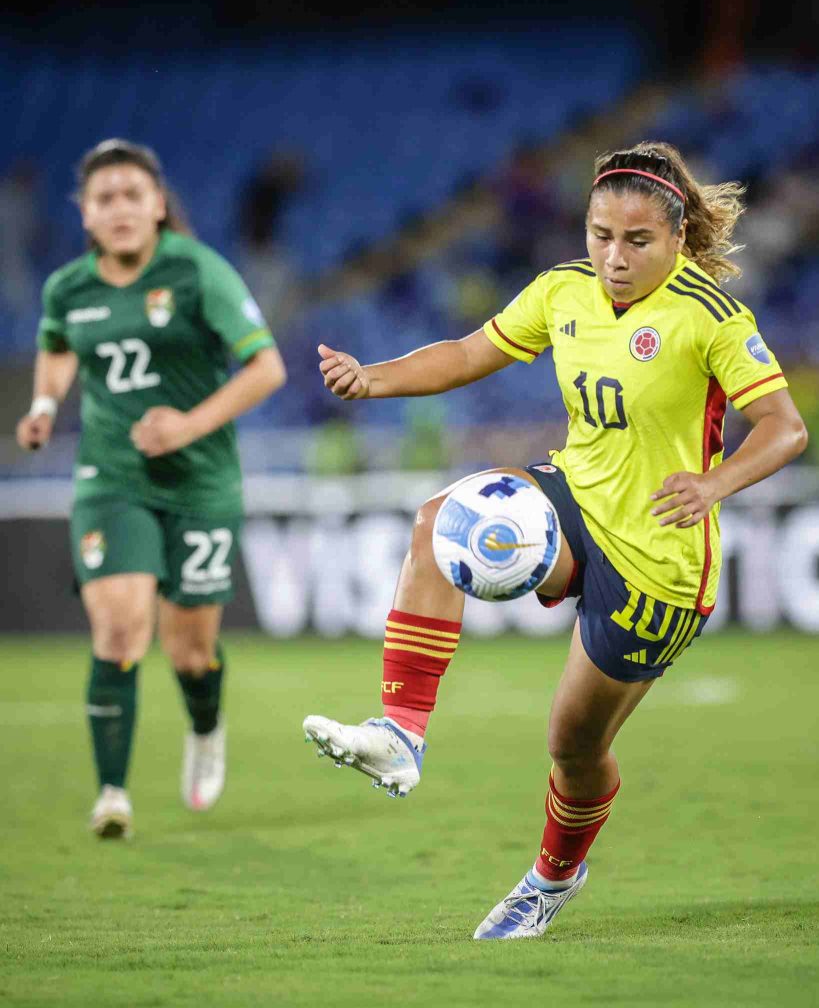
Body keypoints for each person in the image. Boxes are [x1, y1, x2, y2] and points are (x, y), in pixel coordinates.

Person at [302, 141, 807, 939]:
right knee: (440, 519)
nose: (612, 256)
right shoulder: (560, 291)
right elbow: (470, 353)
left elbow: (784, 428)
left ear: (675, 240)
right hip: (576, 495)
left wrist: (712, 484)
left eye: (635, 241)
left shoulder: (710, 317)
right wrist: (375, 376)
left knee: (570, 746)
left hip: (659, 559)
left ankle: (552, 877)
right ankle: (399, 734)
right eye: (599, 234)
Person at [15, 139, 287, 839]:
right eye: (105, 198)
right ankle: (112, 793)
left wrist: (187, 425)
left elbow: (265, 369)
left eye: (133, 194)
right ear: (85, 214)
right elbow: (55, 344)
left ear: (158, 205)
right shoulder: (68, 288)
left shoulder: (198, 272)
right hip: (113, 477)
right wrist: (46, 407)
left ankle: (204, 726)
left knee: (190, 650)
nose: (120, 208)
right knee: (118, 626)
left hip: (199, 483)